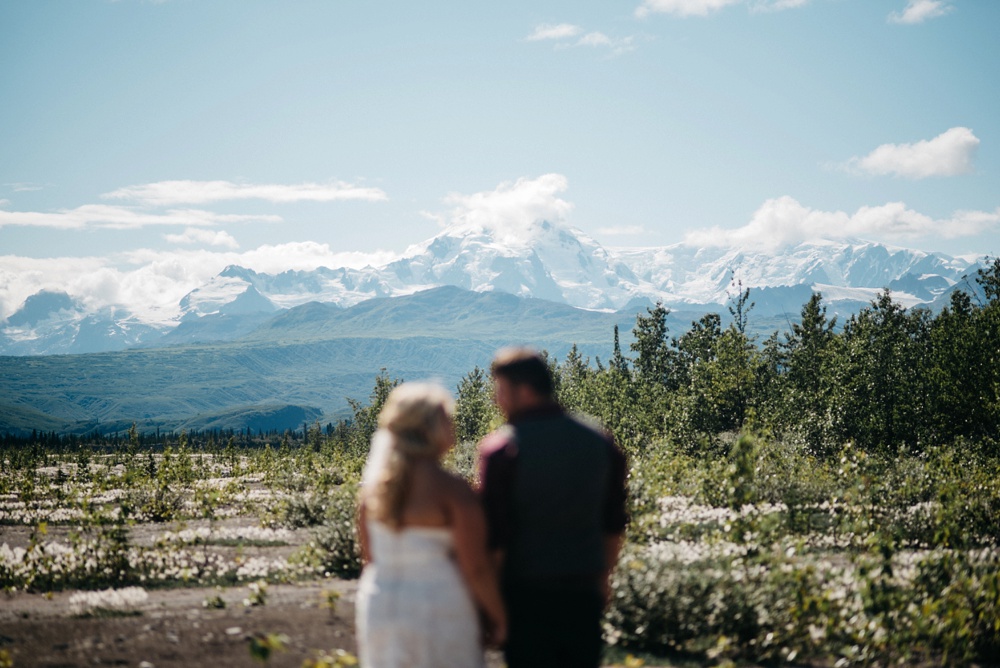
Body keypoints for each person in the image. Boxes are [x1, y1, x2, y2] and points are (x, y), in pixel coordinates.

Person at [478, 347, 628, 668]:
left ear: (524, 391)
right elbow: (613, 522)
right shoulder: (599, 440)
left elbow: (496, 538)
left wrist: (492, 607)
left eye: (500, 390)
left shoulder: (502, 450)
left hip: (524, 596)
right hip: (583, 593)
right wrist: (603, 581)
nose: (495, 400)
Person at [356, 382, 506, 668]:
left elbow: (370, 559)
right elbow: (475, 567)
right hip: (440, 606)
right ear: (430, 428)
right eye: (448, 419)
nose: (453, 426)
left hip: (380, 605)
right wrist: (499, 617)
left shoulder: (372, 493)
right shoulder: (452, 491)